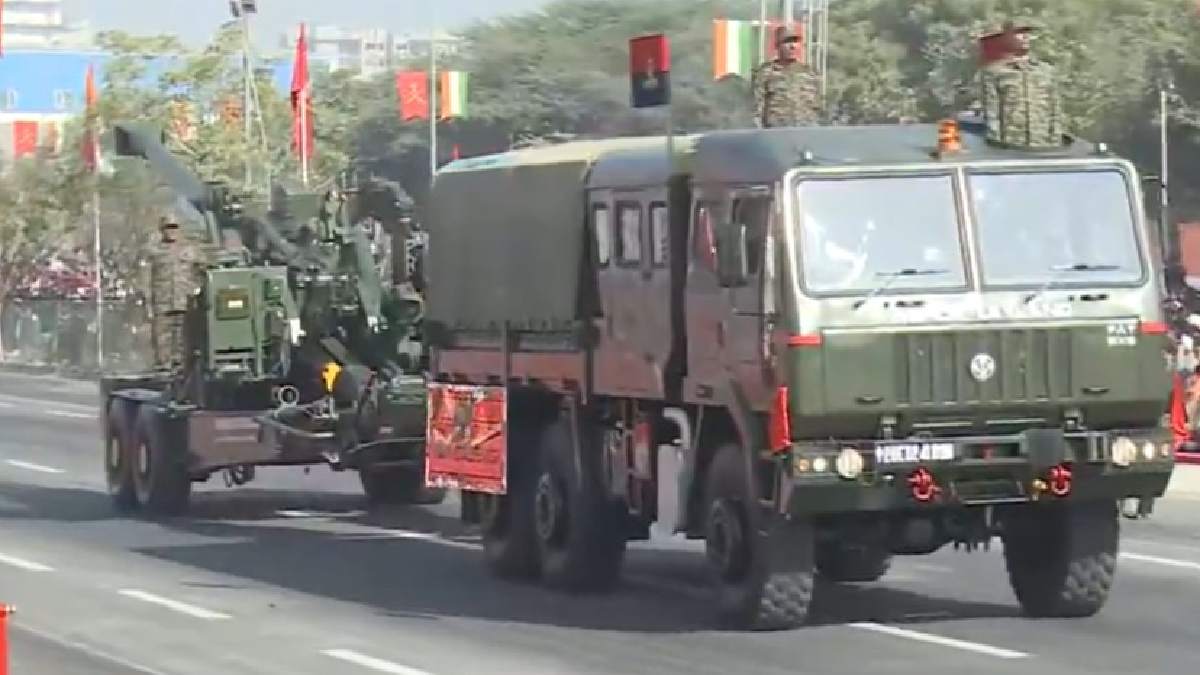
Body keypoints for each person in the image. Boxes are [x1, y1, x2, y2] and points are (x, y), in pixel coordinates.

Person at [978, 21, 1063, 148]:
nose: (1025, 37)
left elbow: (1055, 111)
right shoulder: (994, 72)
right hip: (1011, 145)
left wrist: (1056, 142)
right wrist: (997, 145)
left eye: (1027, 33)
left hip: (1044, 145)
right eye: (1019, 33)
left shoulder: (1046, 71)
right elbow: (992, 113)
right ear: (1006, 37)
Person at [148, 215, 201, 369]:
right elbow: (145, 276)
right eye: (168, 227)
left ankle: (180, 365)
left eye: (174, 227)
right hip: (161, 301)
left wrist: (196, 290)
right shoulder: (154, 251)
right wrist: (146, 300)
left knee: (183, 337)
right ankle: (163, 366)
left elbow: (202, 270)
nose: (171, 231)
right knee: (161, 337)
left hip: (184, 300)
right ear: (161, 230)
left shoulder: (190, 250)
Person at [751, 26, 821, 128]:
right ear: (777, 46)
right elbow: (756, 109)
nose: (792, 46)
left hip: (805, 132)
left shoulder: (809, 73)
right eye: (787, 42)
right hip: (777, 133)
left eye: (795, 42)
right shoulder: (765, 72)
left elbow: (817, 107)